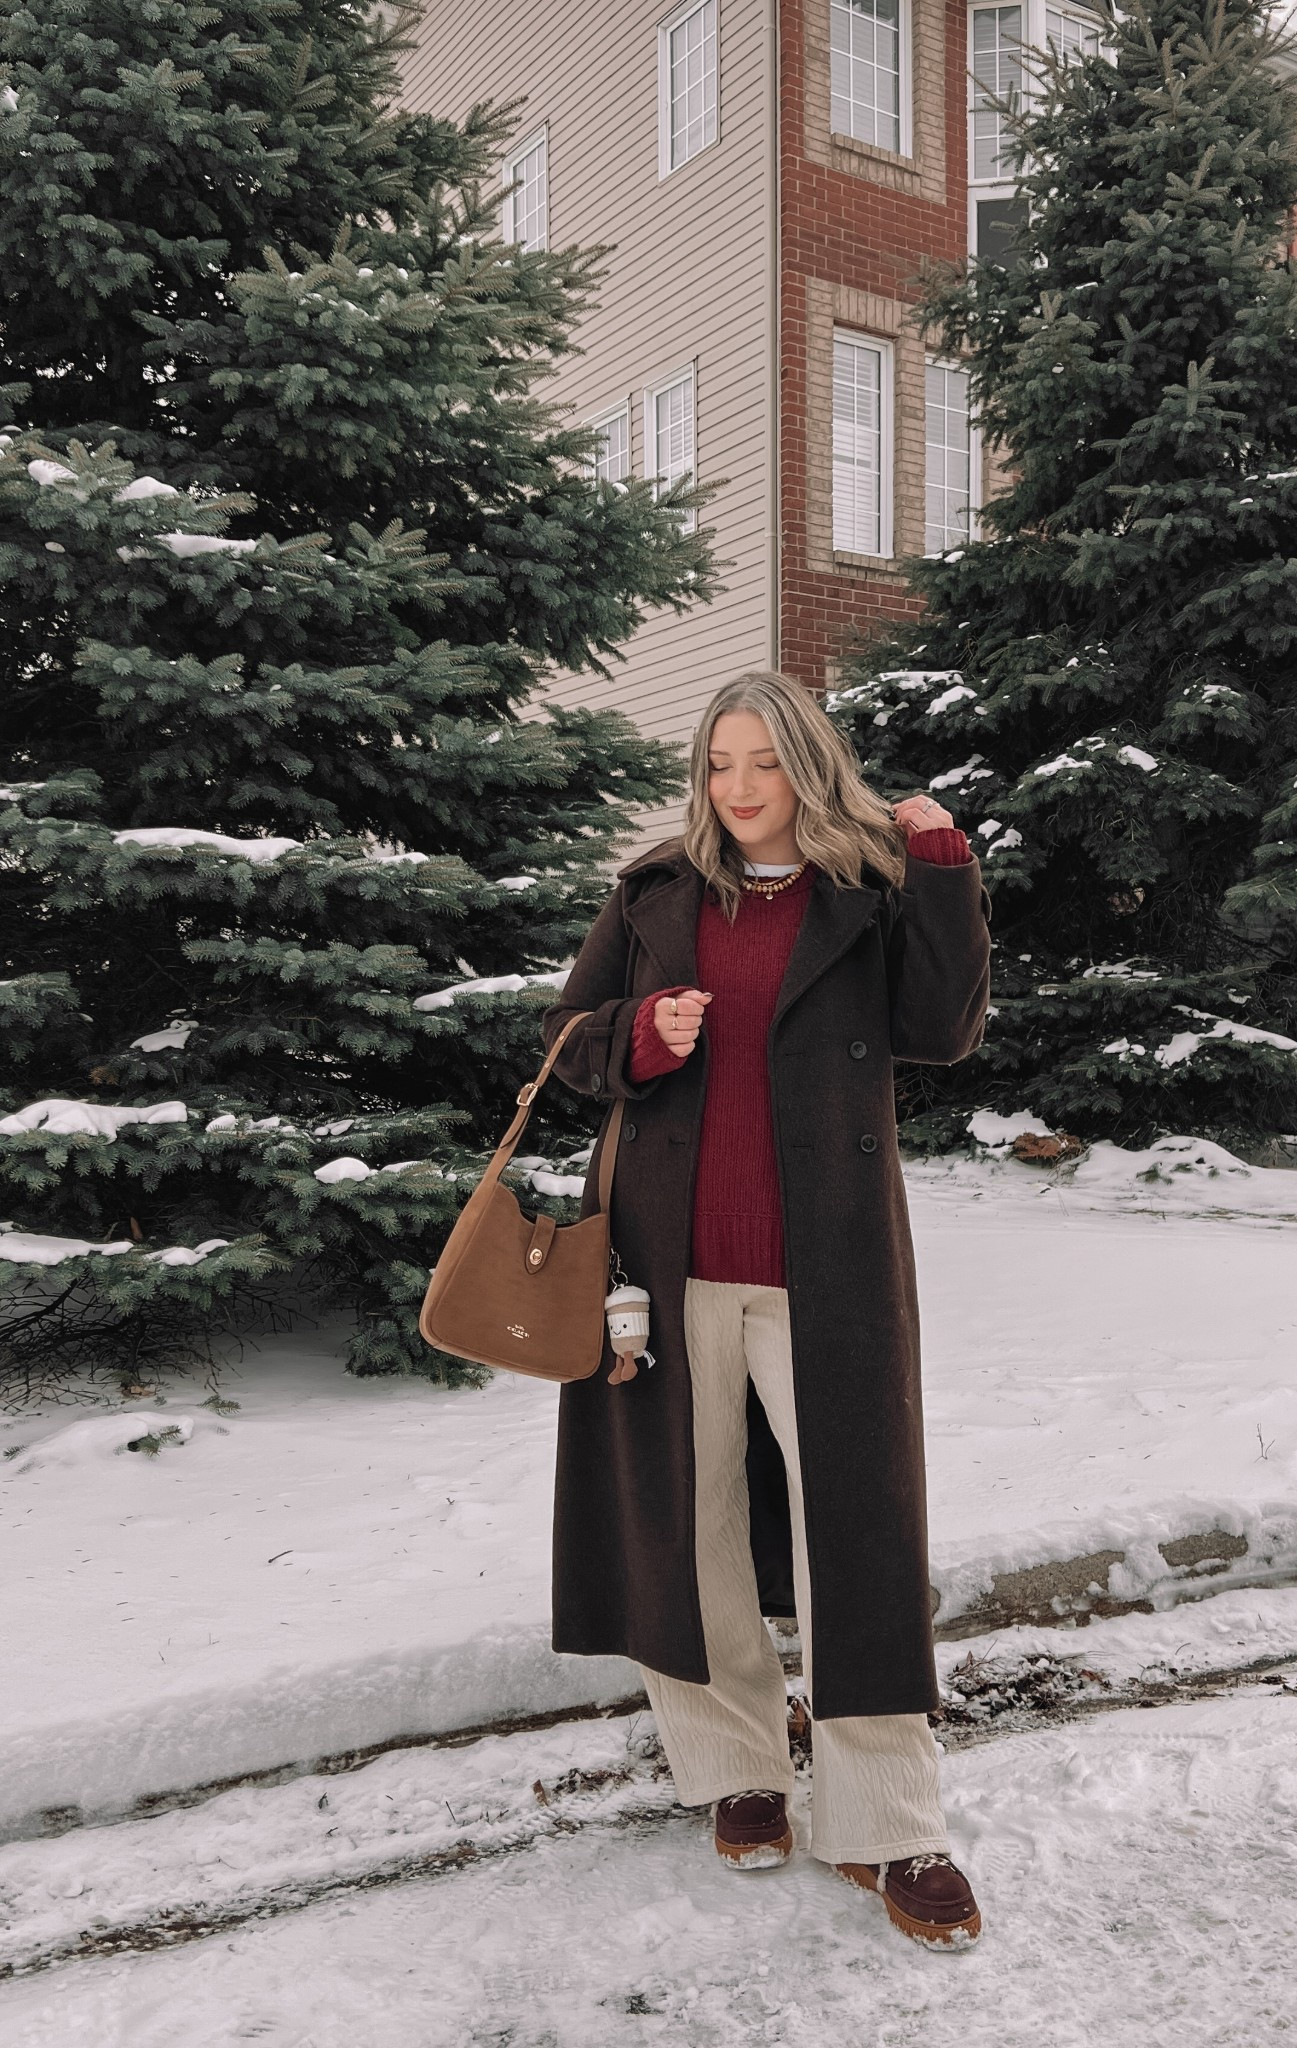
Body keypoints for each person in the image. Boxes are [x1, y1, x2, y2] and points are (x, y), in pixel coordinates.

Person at [542, 669, 991, 1949]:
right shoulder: (653, 894)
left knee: (859, 1522)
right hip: (660, 1263)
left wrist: (943, 862)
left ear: (809, 764)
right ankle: (736, 1762)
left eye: (765, 762)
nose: (739, 788)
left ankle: (890, 1819)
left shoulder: (867, 894)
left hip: (827, 1263)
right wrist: (636, 1033)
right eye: (720, 763)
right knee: (688, 1517)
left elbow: (944, 1030)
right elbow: (565, 1040)